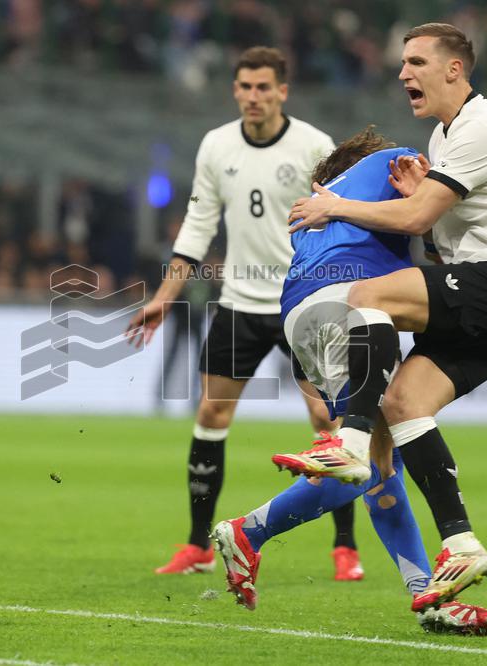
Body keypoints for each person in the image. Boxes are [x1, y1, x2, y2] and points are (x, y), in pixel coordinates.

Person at [274, 23, 487, 612]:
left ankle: (351, 442)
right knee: (404, 403)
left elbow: (412, 222)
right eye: (403, 63)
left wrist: (336, 206)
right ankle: (461, 543)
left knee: (369, 295)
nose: (404, 73)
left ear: (455, 69)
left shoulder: (482, 125)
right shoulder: (444, 135)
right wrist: (420, 206)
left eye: (416, 62)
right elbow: (435, 245)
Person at [211, 127, 487, 636]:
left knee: (380, 465)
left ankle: (428, 597)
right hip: (351, 304)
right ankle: (250, 530)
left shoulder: (320, 207)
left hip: (303, 317)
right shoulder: (395, 162)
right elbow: (437, 231)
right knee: (367, 456)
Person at [126, 46, 366, 581]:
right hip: (238, 304)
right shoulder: (217, 145)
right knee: (210, 416)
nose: (253, 97)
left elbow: (341, 223)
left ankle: (345, 547)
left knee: (327, 424)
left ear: (283, 91)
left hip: (303, 303)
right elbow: (198, 225)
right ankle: (198, 546)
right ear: (234, 90)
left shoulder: (314, 146)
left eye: (263, 87)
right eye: (245, 87)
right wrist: (164, 295)